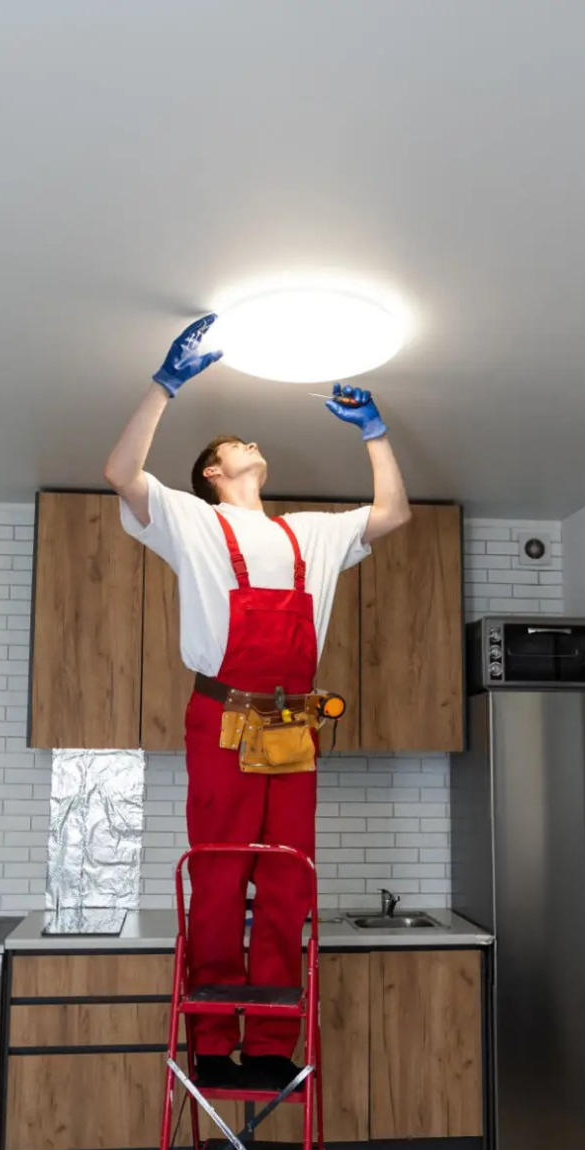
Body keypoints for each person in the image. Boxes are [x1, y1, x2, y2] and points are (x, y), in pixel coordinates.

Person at [104, 315, 412, 1089]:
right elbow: (120, 470)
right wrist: (163, 385)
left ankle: (272, 1044)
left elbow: (394, 514)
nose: (248, 444)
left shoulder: (312, 533)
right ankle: (211, 1038)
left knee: (285, 880)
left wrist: (376, 434)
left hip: (292, 723)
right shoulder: (191, 520)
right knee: (218, 875)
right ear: (211, 471)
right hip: (222, 714)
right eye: (233, 442)